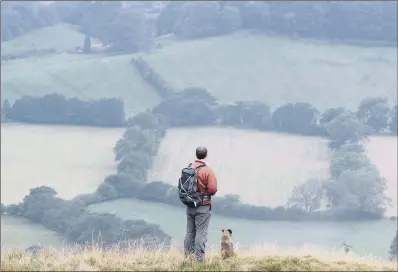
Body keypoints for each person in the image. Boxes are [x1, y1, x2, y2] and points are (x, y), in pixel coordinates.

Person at [184, 146, 218, 262]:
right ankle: (199, 261)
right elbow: (213, 189)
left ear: (196, 154)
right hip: (203, 206)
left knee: (190, 232)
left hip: (189, 205)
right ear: (206, 155)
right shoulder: (207, 171)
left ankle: (188, 258)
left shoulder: (189, 168)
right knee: (201, 233)